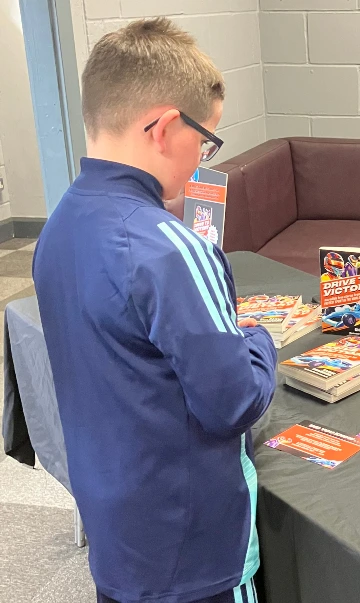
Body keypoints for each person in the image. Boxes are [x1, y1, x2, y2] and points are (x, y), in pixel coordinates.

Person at [32, 19, 276, 603]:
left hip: (118, 529)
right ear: (167, 127)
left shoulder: (57, 227)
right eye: (206, 141)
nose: (203, 160)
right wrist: (259, 341)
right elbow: (235, 401)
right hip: (193, 550)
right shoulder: (170, 249)